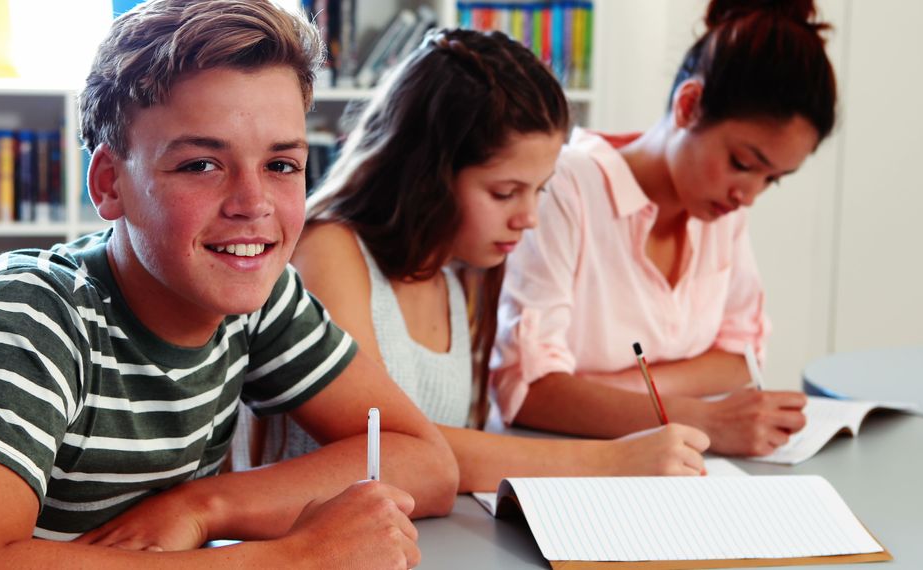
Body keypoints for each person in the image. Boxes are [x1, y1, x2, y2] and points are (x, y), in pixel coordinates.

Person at [0, 1, 458, 567]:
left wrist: (200, 506)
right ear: (110, 183)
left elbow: (425, 462)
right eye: (200, 165)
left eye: (281, 165)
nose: (253, 204)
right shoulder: (30, 312)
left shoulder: (259, 298)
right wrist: (292, 560)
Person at [258, 28, 710, 494]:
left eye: (540, 189)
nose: (529, 218)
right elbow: (389, 451)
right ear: (425, 175)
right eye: (504, 192)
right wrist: (614, 460)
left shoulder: (458, 275)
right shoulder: (331, 250)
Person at [493, 0, 836, 457]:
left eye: (770, 179)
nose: (749, 194)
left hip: (679, 466)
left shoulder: (720, 209)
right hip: (562, 465)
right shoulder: (565, 186)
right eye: (742, 163)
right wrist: (704, 416)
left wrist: (605, 389)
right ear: (689, 105)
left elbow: (743, 357)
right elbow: (529, 392)